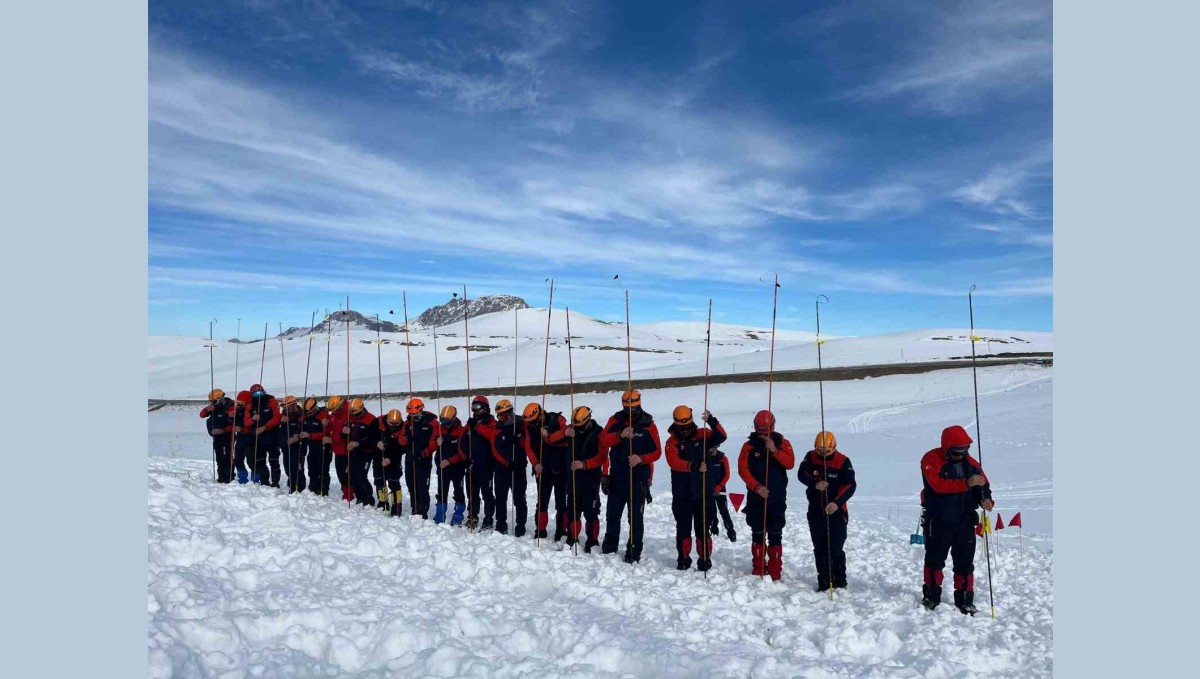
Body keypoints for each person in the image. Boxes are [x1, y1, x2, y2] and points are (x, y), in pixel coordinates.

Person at [920, 425, 994, 615]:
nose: (961, 455)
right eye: (957, 451)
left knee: (965, 563)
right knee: (934, 560)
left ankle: (965, 600)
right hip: (938, 520)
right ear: (947, 447)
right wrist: (966, 483)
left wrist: (986, 499)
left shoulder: (972, 463)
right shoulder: (930, 459)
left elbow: (983, 485)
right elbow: (937, 485)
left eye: (964, 450)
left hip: (965, 521)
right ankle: (931, 596)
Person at [599, 389, 662, 564]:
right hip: (617, 476)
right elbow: (603, 441)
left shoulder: (648, 424)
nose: (630, 411)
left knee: (635, 518)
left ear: (639, 405)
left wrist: (641, 458)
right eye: (627, 408)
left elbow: (657, 452)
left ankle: (634, 550)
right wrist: (620, 435)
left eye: (633, 408)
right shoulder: (615, 420)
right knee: (612, 514)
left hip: (638, 479)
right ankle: (610, 546)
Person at [665, 406, 727, 571]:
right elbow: (673, 462)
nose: (684, 431)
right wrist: (692, 466)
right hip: (682, 495)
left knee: (703, 530)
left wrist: (712, 422)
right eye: (680, 427)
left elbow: (722, 436)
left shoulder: (703, 434)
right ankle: (683, 559)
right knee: (683, 529)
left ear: (691, 421)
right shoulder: (672, 442)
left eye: (686, 427)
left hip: (703, 493)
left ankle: (704, 559)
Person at [738, 410, 795, 581]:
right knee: (757, 532)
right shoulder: (748, 447)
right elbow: (743, 470)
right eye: (760, 432)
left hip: (777, 499)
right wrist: (756, 487)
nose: (762, 436)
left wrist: (775, 450)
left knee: (775, 533)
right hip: (756, 497)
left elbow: (790, 463)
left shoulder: (783, 443)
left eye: (765, 432)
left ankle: (775, 570)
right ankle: (759, 568)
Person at [797, 431, 856, 591]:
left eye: (826, 453)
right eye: (820, 452)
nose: (823, 455)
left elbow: (850, 485)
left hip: (836, 512)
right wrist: (815, 483)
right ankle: (824, 580)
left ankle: (840, 580)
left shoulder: (843, 461)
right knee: (820, 547)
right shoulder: (810, 457)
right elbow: (802, 474)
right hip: (816, 511)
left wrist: (836, 503)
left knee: (835, 547)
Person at [523, 403, 571, 541]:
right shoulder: (529, 427)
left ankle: (561, 531)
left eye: (533, 421)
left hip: (561, 468)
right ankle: (541, 530)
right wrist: (535, 463)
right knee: (542, 502)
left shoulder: (557, 418)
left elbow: (566, 432)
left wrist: (548, 435)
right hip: (542, 469)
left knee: (561, 502)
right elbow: (529, 447)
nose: (531, 424)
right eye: (529, 422)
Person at [565, 405, 607, 552]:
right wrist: (565, 432)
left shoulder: (599, 433)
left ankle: (592, 541)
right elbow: (553, 438)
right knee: (572, 509)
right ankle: (572, 537)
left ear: (588, 420)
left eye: (580, 425)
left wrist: (584, 464)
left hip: (591, 478)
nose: (578, 428)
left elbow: (603, 457)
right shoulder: (571, 430)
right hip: (573, 478)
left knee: (591, 511)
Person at [491, 399, 531, 536]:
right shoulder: (497, 428)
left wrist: (518, 441)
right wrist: (506, 463)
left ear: (510, 412)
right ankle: (501, 525)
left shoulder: (521, 424)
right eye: (498, 416)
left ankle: (521, 527)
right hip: (502, 469)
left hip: (519, 469)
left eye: (503, 415)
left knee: (519, 499)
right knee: (500, 499)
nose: (500, 419)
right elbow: (494, 448)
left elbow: (529, 444)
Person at [459, 395, 499, 530]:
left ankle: (488, 518)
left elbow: (493, 437)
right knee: (471, 493)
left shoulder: (491, 422)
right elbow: (461, 442)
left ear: (485, 408)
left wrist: (477, 428)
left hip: (486, 465)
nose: (475, 411)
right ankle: (472, 516)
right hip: (471, 464)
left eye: (478, 408)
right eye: (473, 408)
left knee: (487, 493)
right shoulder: (469, 425)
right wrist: (465, 458)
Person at [397, 398, 439, 519]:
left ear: (421, 410)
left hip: (424, 459)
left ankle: (423, 509)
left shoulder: (432, 423)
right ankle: (414, 507)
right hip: (410, 457)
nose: (412, 416)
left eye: (414, 414)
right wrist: (408, 438)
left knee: (422, 486)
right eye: (410, 414)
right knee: (411, 485)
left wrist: (424, 453)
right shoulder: (407, 423)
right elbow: (401, 440)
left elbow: (434, 442)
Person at [344, 398, 382, 507]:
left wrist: (358, 443)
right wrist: (344, 432)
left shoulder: (371, 420)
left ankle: (368, 499)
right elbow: (345, 435)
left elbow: (373, 438)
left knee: (361, 475)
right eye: (352, 413)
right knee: (353, 475)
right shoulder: (349, 418)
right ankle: (360, 498)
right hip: (353, 451)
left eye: (356, 413)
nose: (354, 416)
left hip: (366, 452)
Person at [434, 405, 467, 526]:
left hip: (457, 468)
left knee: (458, 492)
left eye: (447, 422)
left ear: (453, 419)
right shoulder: (440, 429)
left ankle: (458, 515)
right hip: (442, 467)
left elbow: (462, 452)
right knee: (441, 491)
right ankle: (439, 515)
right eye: (443, 422)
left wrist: (450, 461)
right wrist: (437, 442)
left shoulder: (461, 431)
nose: (445, 424)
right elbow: (434, 446)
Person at [246, 383, 281, 486]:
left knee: (274, 460)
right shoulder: (250, 406)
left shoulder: (272, 402)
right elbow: (246, 422)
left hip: (272, 436)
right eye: (256, 394)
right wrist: (253, 419)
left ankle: (275, 482)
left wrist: (265, 427)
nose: (259, 395)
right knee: (260, 461)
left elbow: (277, 418)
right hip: (258, 438)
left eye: (261, 392)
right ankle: (264, 482)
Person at [199, 389, 235, 483]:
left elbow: (235, 425)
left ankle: (229, 478)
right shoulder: (214, 408)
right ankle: (221, 477)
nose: (213, 403)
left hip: (227, 437)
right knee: (219, 457)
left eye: (214, 401)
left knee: (227, 457)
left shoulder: (231, 406)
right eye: (211, 402)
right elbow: (202, 415)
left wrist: (223, 430)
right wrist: (207, 409)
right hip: (217, 437)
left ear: (220, 398)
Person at [299, 398, 331, 495]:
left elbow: (327, 434)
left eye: (309, 412)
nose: (308, 414)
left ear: (315, 409)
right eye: (306, 412)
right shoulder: (305, 418)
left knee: (323, 470)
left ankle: (323, 490)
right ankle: (313, 489)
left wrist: (310, 435)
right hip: (312, 448)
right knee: (312, 470)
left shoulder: (323, 417)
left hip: (324, 448)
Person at [378, 409, 407, 516]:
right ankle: (383, 502)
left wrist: (390, 459)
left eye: (396, 424)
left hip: (395, 460)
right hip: (379, 457)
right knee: (379, 480)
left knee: (394, 482)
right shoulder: (379, 423)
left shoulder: (404, 428)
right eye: (391, 423)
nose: (394, 426)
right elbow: (370, 437)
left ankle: (397, 506)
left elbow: (402, 449)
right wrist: (378, 443)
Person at [324, 395, 353, 502]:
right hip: (337, 449)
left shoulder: (349, 414)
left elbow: (343, 434)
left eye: (335, 410)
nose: (334, 412)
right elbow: (331, 429)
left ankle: (350, 494)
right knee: (340, 473)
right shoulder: (333, 415)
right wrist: (325, 425)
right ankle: (345, 491)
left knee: (347, 474)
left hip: (347, 450)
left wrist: (331, 439)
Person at [706, 448, 737, 543]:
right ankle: (714, 529)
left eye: (712, 447)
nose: (710, 449)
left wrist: (719, 487)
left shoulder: (723, 458)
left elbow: (727, 475)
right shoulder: (705, 458)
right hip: (708, 491)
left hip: (720, 490)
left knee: (724, 511)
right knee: (711, 511)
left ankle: (731, 531)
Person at [278, 395, 307, 493]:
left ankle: (299, 488)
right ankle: (291, 485)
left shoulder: (301, 414)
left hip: (298, 447)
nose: (285, 409)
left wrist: (296, 436)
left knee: (297, 468)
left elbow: (302, 427)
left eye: (287, 407)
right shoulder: (283, 416)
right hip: (286, 447)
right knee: (287, 468)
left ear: (293, 405)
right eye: (283, 407)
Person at [232, 390, 254, 484]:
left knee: (251, 461)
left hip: (250, 439)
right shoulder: (238, 411)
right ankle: (242, 478)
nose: (239, 405)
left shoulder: (252, 411)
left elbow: (254, 428)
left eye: (242, 403)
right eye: (238, 403)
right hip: (240, 439)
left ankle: (255, 478)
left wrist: (242, 429)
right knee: (237, 459)